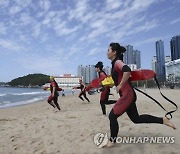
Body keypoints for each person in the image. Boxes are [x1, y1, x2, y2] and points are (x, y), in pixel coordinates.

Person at [104, 42, 176, 148]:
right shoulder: (115, 63)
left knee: (112, 116)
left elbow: (127, 70)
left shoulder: (117, 62)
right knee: (136, 119)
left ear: (114, 53)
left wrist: (120, 85)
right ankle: (163, 120)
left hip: (127, 95)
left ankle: (112, 141)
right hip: (128, 95)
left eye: (108, 50)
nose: (107, 52)